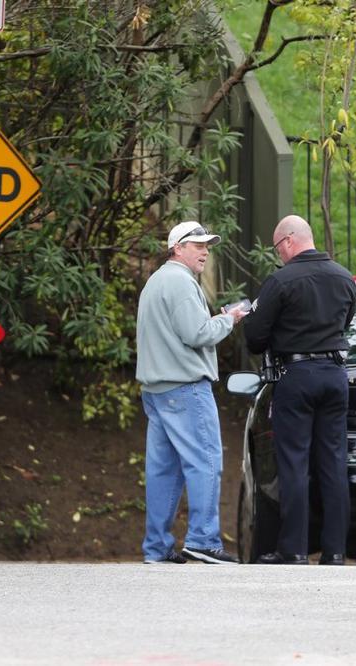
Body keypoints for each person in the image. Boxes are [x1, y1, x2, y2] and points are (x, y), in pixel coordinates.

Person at [242, 214, 356, 565]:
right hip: (335, 376)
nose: (278, 255)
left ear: (289, 241)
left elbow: (254, 338)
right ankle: (335, 551)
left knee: (294, 463)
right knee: (334, 463)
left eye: (278, 248)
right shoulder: (344, 277)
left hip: (298, 374)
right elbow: (347, 321)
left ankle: (293, 549)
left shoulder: (281, 281)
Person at [136, 221, 247, 565]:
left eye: (207, 246)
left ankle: (157, 547)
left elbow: (180, 331)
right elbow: (197, 333)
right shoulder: (181, 282)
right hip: (185, 389)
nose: (205, 251)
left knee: (163, 471)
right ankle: (202, 539)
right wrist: (229, 319)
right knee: (205, 462)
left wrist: (216, 319)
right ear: (178, 248)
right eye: (198, 245)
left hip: (156, 391)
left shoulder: (156, 281)